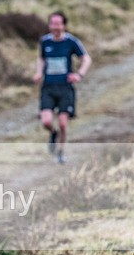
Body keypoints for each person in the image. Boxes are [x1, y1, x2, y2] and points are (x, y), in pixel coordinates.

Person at [33, 11, 92, 164]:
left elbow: (86, 59)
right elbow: (41, 59)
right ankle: (53, 134)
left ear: (64, 25)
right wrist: (39, 73)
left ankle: (61, 152)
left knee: (63, 123)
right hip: (48, 87)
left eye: (58, 24)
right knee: (46, 121)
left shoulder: (71, 42)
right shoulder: (45, 42)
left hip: (65, 88)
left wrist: (79, 74)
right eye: (52, 24)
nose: (55, 27)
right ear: (49, 25)